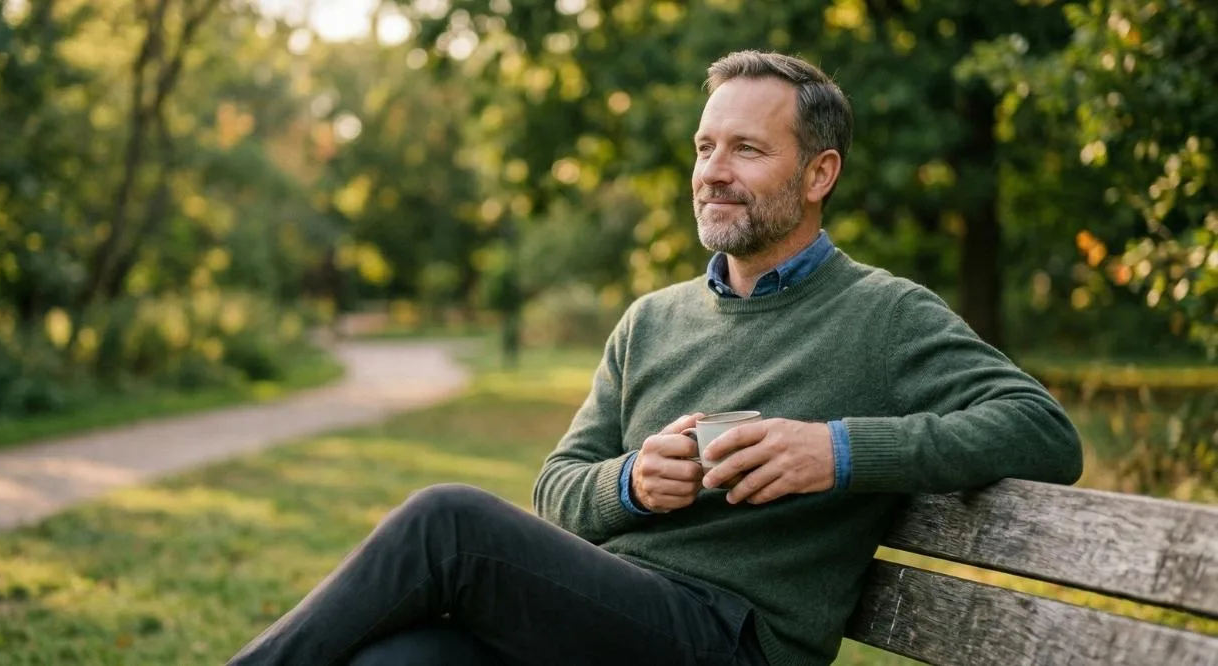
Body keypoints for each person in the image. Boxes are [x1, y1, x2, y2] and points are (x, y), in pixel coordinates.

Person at [225, 50, 1083, 666]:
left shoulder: (884, 314)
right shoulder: (652, 321)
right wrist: (631, 481)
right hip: (611, 615)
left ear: (819, 174)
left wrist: (838, 451)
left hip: (732, 639)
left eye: (747, 150)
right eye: (706, 148)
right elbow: (557, 488)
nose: (714, 171)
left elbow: (1044, 433)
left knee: (446, 522)